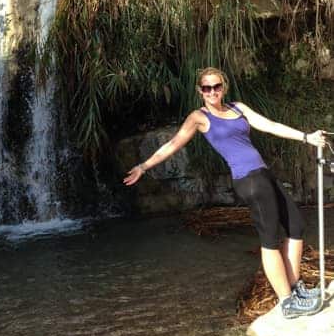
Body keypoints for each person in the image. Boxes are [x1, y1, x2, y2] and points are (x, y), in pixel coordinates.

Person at [123, 66, 325, 319]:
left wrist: (306, 137)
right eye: (206, 88)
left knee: (295, 225)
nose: (212, 92)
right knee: (270, 239)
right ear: (200, 91)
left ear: (224, 87)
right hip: (249, 180)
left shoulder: (239, 108)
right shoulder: (199, 117)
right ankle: (287, 302)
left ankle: (295, 289)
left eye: (216, 86)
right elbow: (173, 144)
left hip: (264, 175)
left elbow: (270, 125)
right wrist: (143, 166)